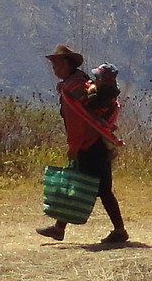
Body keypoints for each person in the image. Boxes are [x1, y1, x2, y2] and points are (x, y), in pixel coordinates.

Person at [37, 45, 130, 247]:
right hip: (96, 143)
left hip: (90, 145)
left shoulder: (72, 89)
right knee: (77, 182)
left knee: (96, 187)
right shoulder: (79, 84)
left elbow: (77, 123)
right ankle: (59, 228)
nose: (54, 68)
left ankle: (119, 230)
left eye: (57, 63)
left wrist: (74, 146)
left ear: (67, 64)